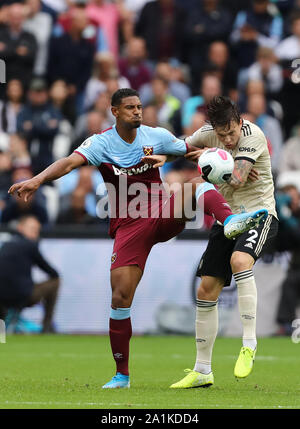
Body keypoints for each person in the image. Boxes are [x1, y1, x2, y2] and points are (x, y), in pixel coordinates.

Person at [8, 88, 268, 389]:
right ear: (114, 111)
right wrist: (37, 180)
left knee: (195, 184)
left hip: (160, 213)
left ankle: (231, 220)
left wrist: (234, 166)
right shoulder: (101, 143)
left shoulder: (155, 135)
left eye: (140, 106)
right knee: (120, 298)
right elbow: (68, 163)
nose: (137, 111)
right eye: (130, 107)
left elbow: (193, 152)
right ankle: (122, 375)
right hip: (128, 227)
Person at [169, 96, 278, 389]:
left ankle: (249, 344)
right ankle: (203, 370)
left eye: (231, 132)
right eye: (222, 134)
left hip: (259, 214)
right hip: (226, 220)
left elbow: (239, 179)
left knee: (240, 261)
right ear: (214, 128)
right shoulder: (211, 135)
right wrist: (163, 156)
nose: (228, 139)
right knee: (206, 291)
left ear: (239, 123)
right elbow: (182, 147)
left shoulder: (253, 135)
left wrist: (212, 159)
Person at [0, 215, 60, 333]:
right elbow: (51, 271)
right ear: (20, 228)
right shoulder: (30, 245)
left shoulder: (6, 245)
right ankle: (46, 327)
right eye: (32, 229)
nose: (36, 233)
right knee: (56, 281)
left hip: (2, 298)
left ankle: (2, 336)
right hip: (22, 297)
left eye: (37, 230)